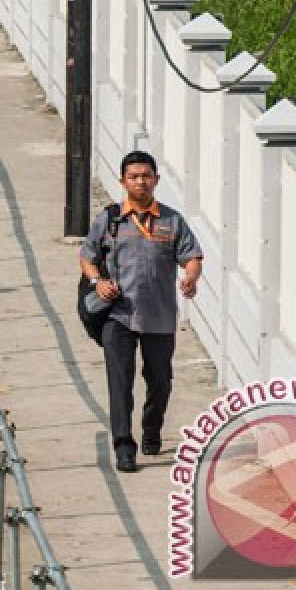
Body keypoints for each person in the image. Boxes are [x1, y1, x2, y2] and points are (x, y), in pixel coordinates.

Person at [79, 150, 203, 473]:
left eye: (146, 176)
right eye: (133, 176)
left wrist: (190, 277)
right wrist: (97, 281)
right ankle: (123, 446)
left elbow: (192, 256)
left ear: (156, 180)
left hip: (159, 317)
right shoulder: (109, 220)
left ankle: (152, 430)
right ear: (123, 182)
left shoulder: (172, 221)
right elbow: (87, 256)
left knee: (160, 381)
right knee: (120, 382)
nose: (140, 181)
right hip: (118, 316)